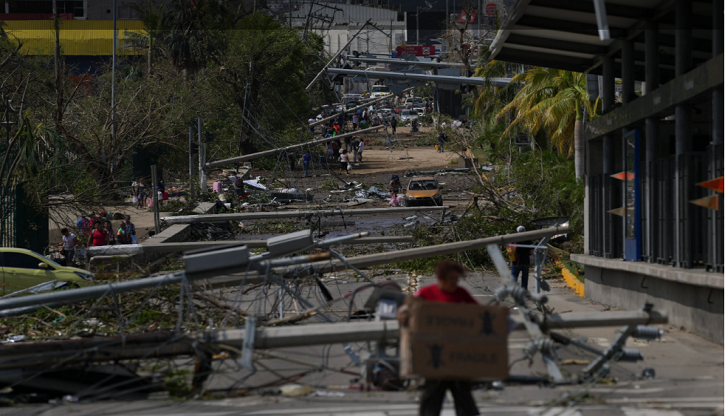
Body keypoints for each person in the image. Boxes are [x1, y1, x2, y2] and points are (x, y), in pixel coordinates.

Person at [397, 260, 480, 416]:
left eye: (457, 279)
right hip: (435, 353)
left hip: (458, 353)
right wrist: (403, 313)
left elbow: (480, 313)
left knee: (463, 393)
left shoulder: (461, 293)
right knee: (433, 392)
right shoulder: (427, 293)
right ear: (441, 278)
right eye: (451, 279)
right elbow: (408, 307)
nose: (455, 283)